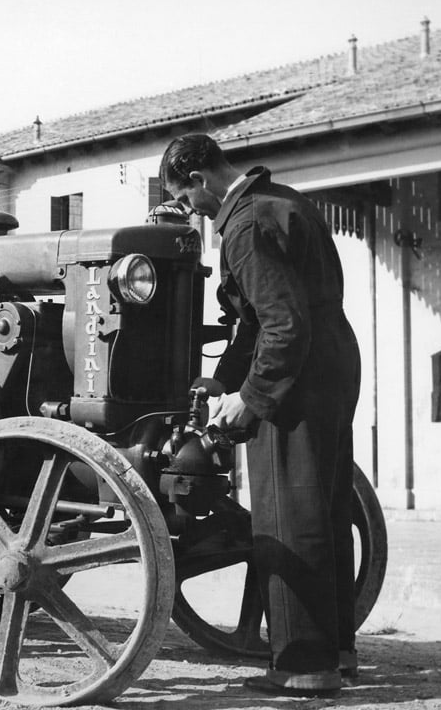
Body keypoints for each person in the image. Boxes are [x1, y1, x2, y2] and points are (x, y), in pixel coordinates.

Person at [159, 133, 362, 697]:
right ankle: (338, 652)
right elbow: (262, 322)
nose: (191, 211)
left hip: (299, 375)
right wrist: (222, 382)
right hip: (332, 364)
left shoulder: (244, 225)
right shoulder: (285, 201)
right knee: (324, 504)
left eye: (185, 198)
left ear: (200, 179)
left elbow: (281, 325)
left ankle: (302, 666)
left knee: (288, 518)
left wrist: (250, 397)